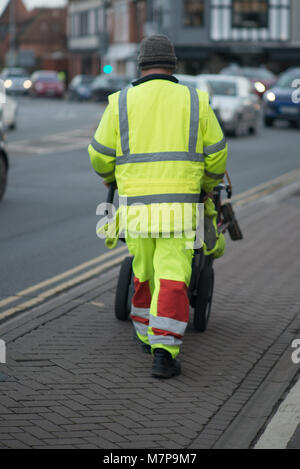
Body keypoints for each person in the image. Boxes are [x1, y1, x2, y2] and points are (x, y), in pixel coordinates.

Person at [88, 35, 227, 379]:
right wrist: (207, 187)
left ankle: (145, 334)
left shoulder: (120, 102)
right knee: (173, 277)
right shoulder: (196, 100)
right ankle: (164, 352)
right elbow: (217, 155)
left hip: (136, 210)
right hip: (181, 213)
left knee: (143, 270)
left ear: (141, 65)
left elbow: (99, 154)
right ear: (174, 65)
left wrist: (110, 177)